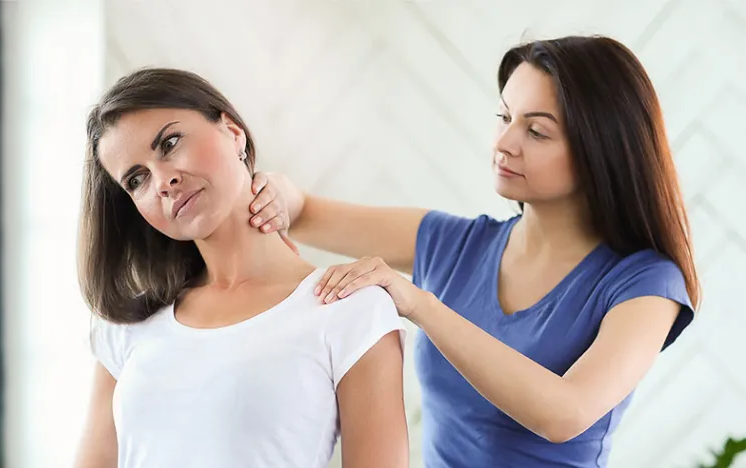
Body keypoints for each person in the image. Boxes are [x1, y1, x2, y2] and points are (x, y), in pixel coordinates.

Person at [247, 35, 700, 467]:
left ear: (600, 148)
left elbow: (565, 414)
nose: (503, 143)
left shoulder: (647, 283)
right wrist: (278, 194)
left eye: (536, 131)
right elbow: (305, 212)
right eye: (504, 117)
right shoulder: (454, 245)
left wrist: (422, 305)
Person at [73, 68, 409, 468]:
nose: (162, 181)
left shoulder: (349, 308)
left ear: (233, 132)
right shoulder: (130, 322)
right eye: (136, 180)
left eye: (170, 143)